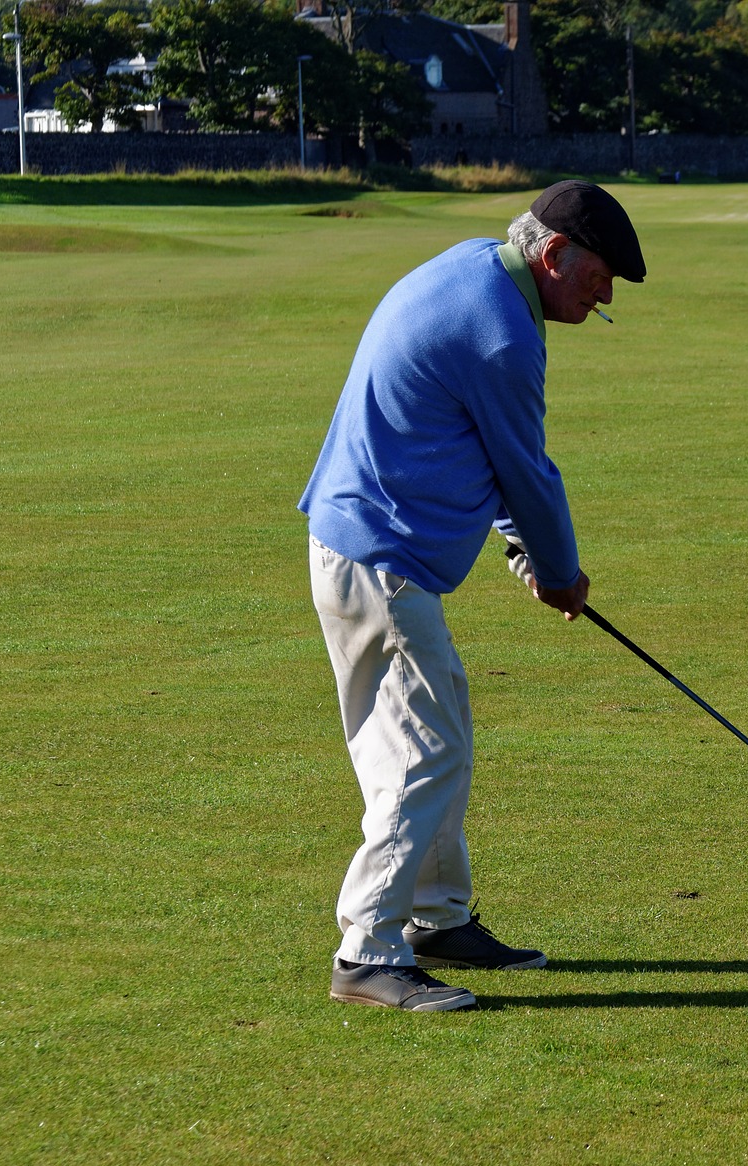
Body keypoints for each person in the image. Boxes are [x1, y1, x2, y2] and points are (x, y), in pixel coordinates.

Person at [298, 181, 647, 1012]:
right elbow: (528, 471)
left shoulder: (473, 273)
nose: (605, 298)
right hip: (381, 560)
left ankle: (438, 917)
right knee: (424, 752)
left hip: (364, 546)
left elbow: (474, 449)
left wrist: (522, 546)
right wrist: (558, 571)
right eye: (599, 277)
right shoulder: (501, 334)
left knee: (440, 721)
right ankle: (367, 950)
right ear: (555, 255)